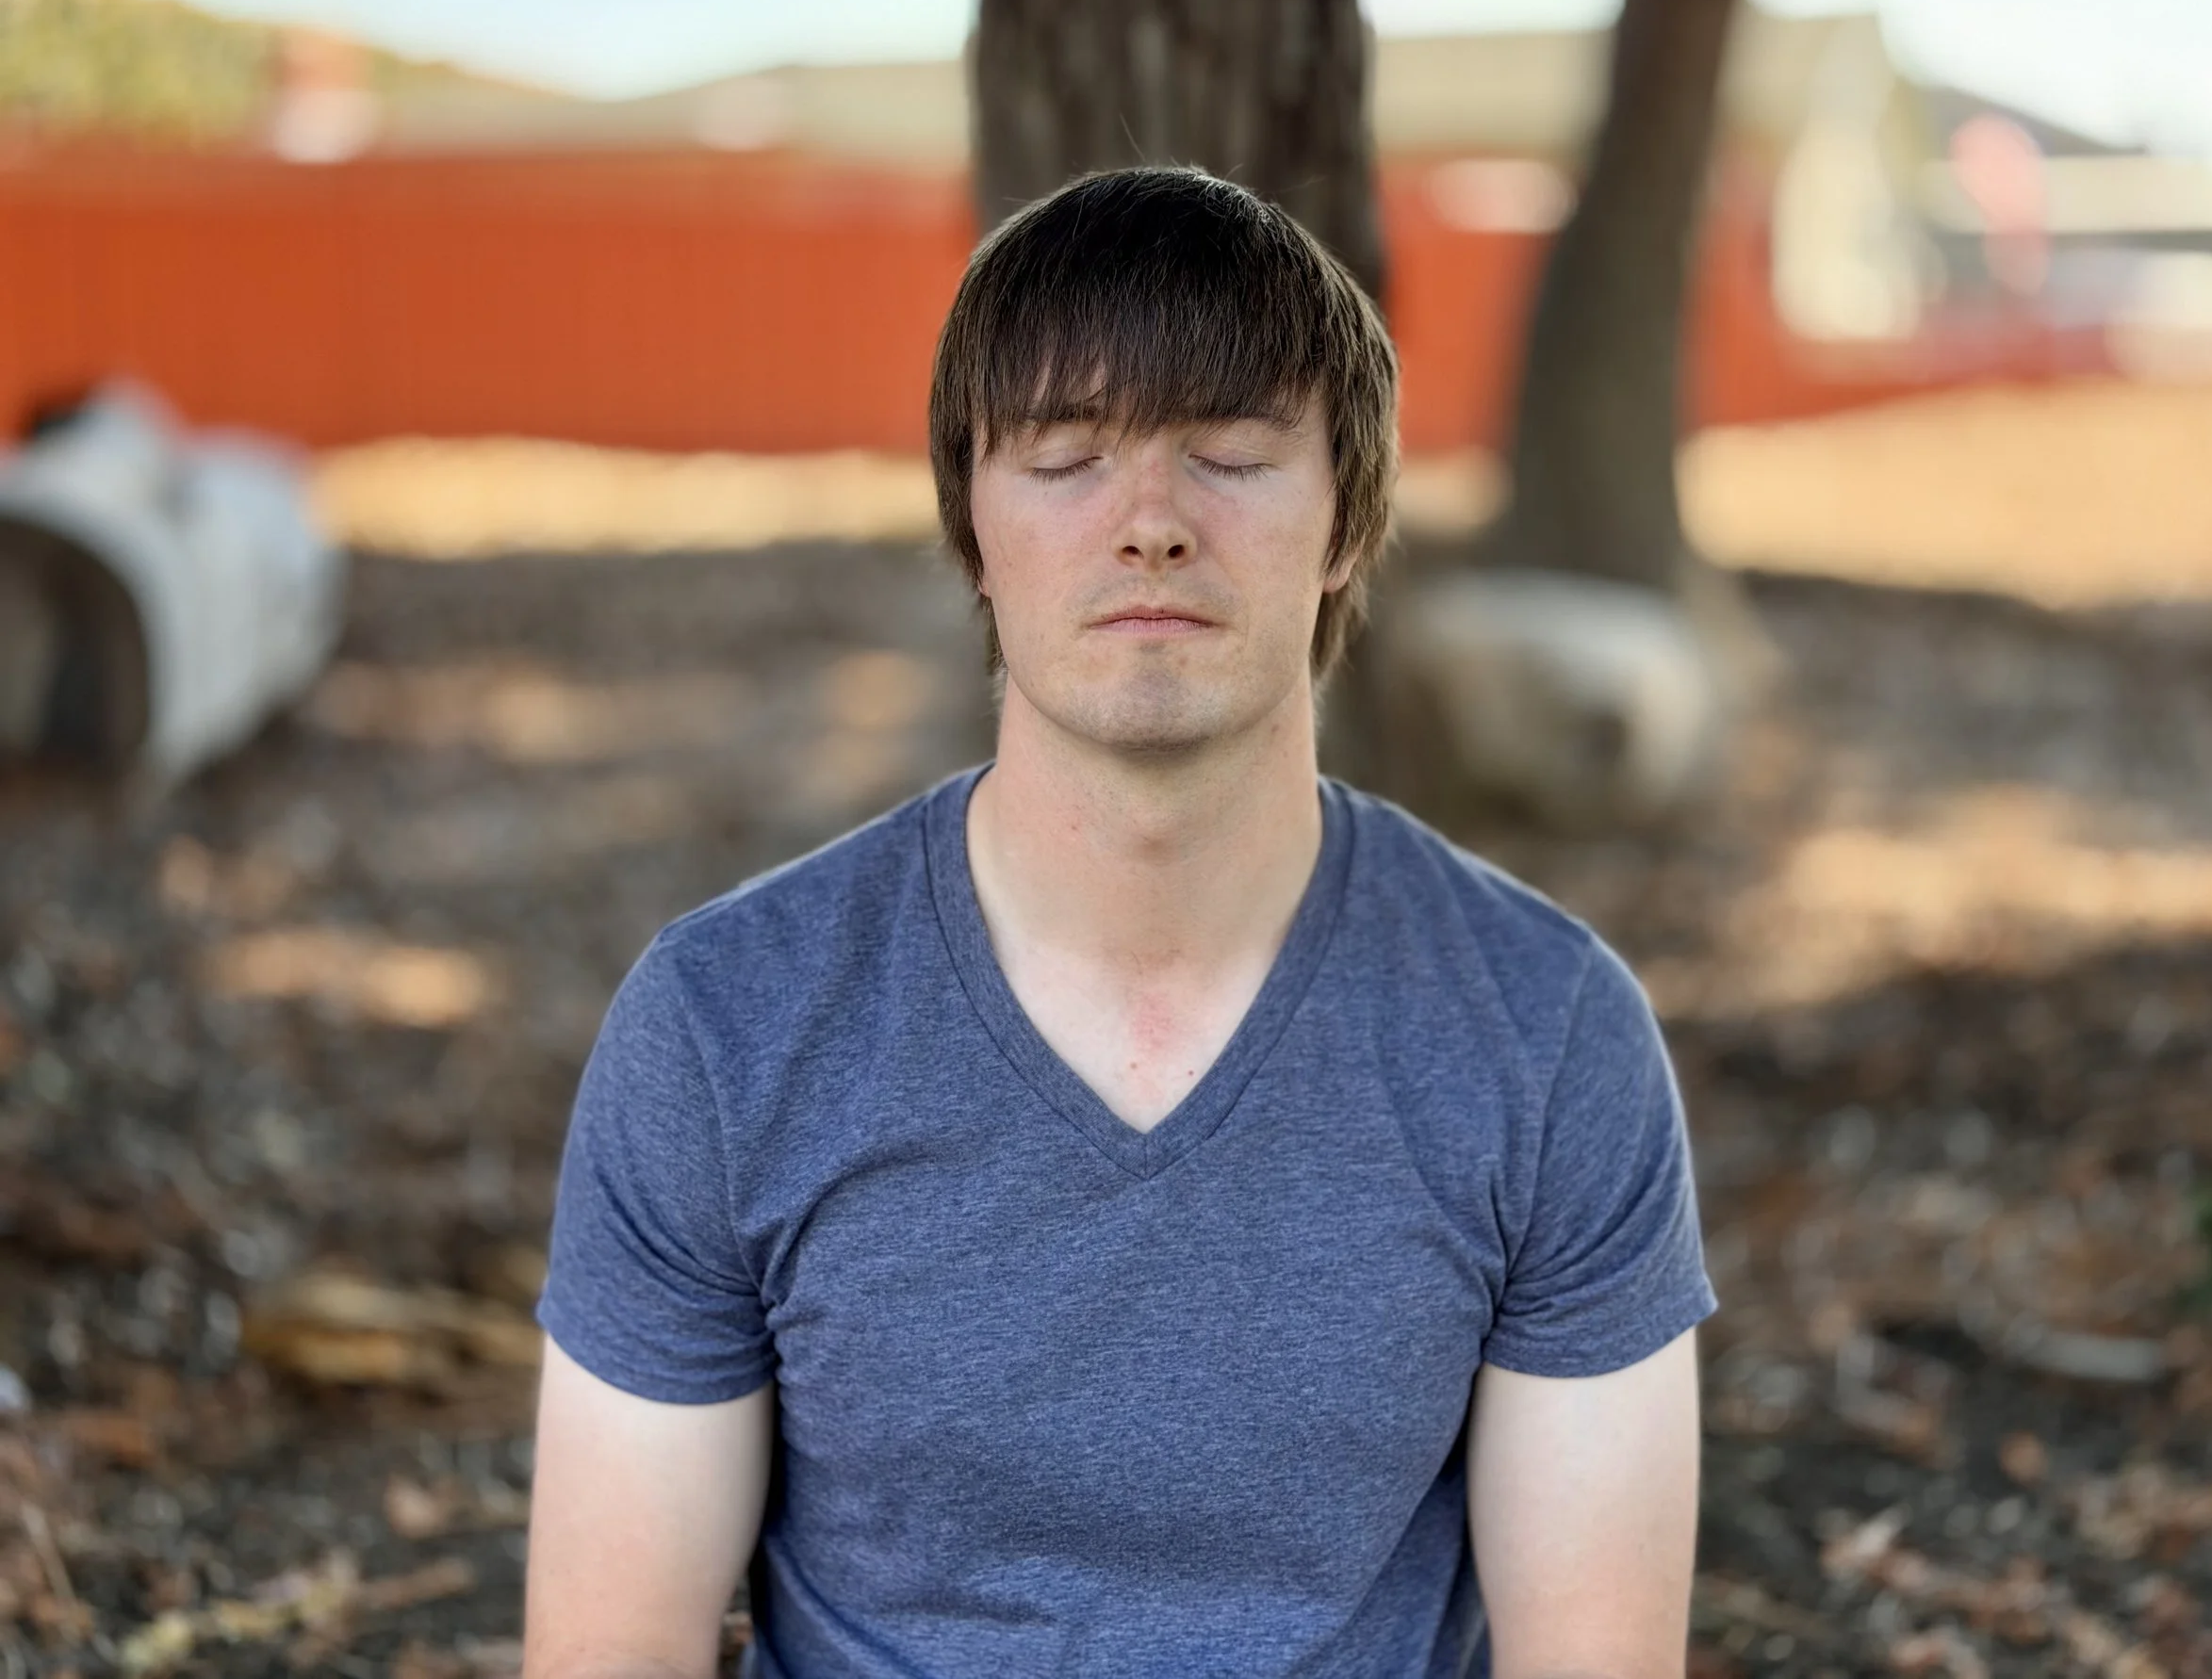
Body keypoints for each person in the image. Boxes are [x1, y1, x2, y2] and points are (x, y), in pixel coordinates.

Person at [523, 166, 1717, 1679]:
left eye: (1229, 452)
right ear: (972, 518)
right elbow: (610, 1653)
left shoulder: (1546, 1034)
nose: (1150, 522)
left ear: (1348, 519)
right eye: (1068, 455)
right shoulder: (724, 1026)